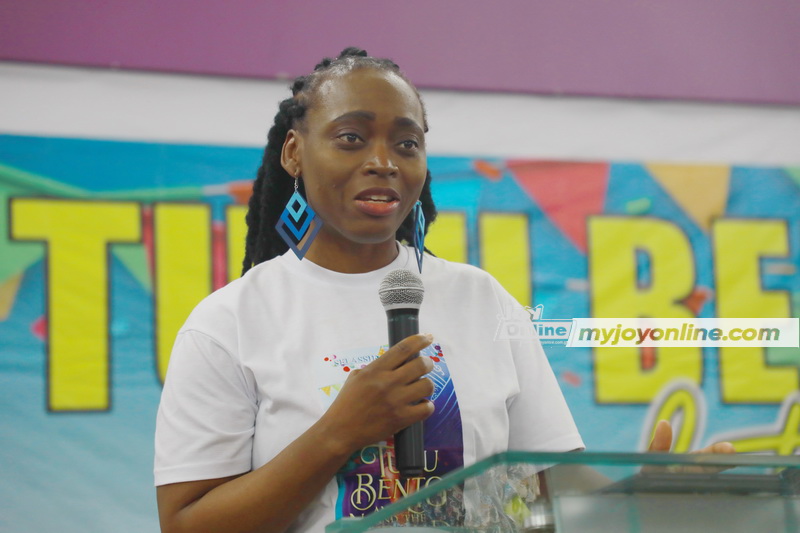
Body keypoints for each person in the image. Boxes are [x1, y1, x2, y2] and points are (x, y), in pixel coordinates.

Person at [153, 48, 729, 533]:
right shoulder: (229, 323)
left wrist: (644, 496)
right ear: (294, 153)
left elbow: (547, 498)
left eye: (407, 144)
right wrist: (339, 433)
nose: (383, 162)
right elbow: (186, 524)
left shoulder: (482, 299)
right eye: (351, 137)